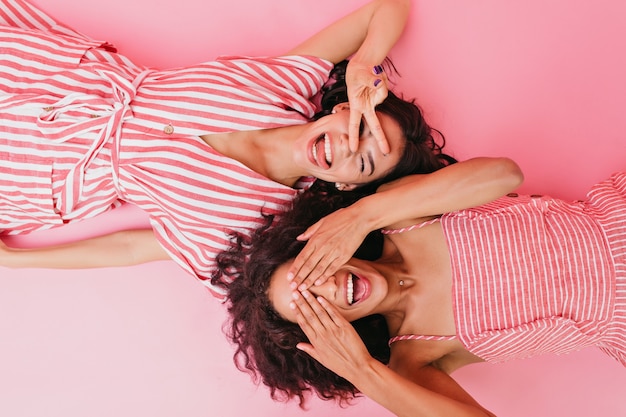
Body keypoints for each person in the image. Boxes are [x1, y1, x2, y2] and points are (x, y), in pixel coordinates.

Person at [0, 0, 463, 298]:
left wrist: (19, 260)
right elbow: (386, 8)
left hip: (41, 170)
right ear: (340, 111)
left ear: (346, 183)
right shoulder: (283, 86)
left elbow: (129, 247)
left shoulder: (253, 219)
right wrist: (365, 62)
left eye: (361, 161)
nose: (345, 145)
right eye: (360, 127)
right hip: (54, 77)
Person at [214, 163, 626, 416]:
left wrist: (359, 216)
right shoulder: (413, 359)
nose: (326, 287)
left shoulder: (397, 213)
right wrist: (362, 371)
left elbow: (505, 175)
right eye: (311, 307)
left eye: (309, 270)